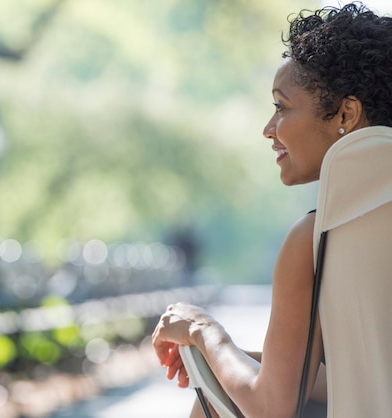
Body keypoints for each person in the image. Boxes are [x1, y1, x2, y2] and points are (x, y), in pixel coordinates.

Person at [152, 3, 392, 417]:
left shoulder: (318, 238)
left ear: (346, 115)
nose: (268, 127)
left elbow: (271, 408)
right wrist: (239, 357)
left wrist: (202, 330)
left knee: (205, 405)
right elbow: (371, 377)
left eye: (281, 106)